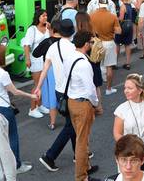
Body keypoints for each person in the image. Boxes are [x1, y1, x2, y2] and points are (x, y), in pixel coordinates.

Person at [34, 19, 85, 173]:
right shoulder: (73, 48)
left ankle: (78, 154)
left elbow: (45, 69)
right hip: (73, 91)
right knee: (72, 125)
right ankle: (50, 156)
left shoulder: (53, 47)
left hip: (59, 91)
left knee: (72, 123)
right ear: (72, 32)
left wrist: (38, 87)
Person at [0, 44, 36, 174]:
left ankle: (0, 165)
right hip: (4, 109)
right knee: (12, 137)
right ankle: (16, 165)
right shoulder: (3, 73)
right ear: (2, 58)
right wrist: (31, 95)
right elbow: (15, 92)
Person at [65, 30, 102, 181]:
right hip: (82, 104)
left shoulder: (70, 57)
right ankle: (81, 177)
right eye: (91, 42)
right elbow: (90, 89)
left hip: (71, 101)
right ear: (86, 44)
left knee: (82, 138)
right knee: (82, 142)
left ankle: (86, 168)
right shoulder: (84, 64)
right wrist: (96, 104)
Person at [90, 0, 123, 95]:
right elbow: (119, 31)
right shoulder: (112, 16)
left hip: (96, 43)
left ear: (99, 4)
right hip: (109, 42)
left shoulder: (92, 15)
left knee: (95, 66)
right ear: (107, 4)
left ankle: (95, 89)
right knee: (109, 67)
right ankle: (109, 89)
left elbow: (91, 30)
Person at [23, 9, 51, 118]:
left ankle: (40, 105)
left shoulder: (47, 28)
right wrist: (27, 59)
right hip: (35, 59)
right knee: (37, 84)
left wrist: (50, 28)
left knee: (42, 83)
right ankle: (32, 108)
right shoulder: (32, 29)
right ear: (38, 17)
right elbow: (26, 45)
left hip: (46, 59)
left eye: (46, 15)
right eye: (43, 16)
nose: (45, 17)